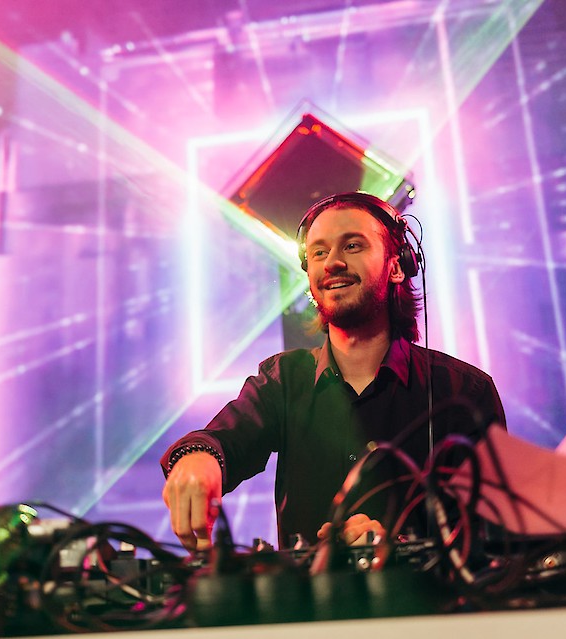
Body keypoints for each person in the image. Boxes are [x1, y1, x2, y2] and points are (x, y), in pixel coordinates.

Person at [160, 192, 505, 552]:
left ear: (397, 266)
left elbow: (491, 540)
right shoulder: (283, 380)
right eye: (319, 252)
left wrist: (398, 548)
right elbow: (224, 440)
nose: (332, 263)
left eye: (352, 246)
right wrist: (198, 459)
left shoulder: (465, 391)